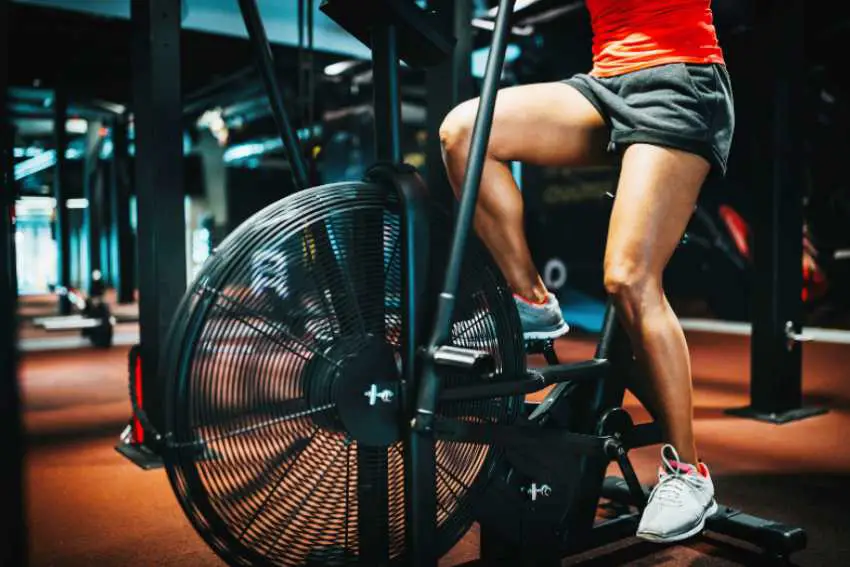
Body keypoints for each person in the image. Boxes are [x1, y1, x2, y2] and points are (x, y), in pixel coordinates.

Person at [439, 0, 734, 543]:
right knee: (464, 133)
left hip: (681, 78)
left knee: (628, 278)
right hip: (605, 84)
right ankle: (530, 301)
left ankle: (689, 475)